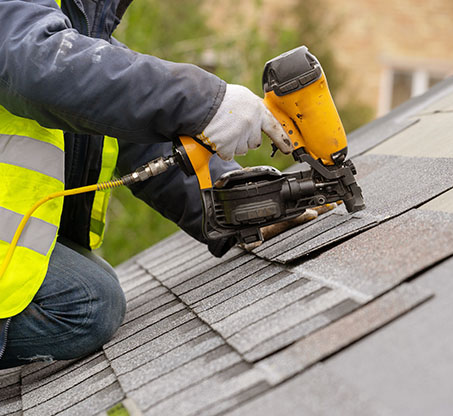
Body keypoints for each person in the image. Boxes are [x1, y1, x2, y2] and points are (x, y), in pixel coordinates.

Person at [0, 0, 293, 369]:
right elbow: (41, 65)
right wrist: (204, 102)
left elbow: (139, 136)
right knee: (87, 301)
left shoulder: (77, 28)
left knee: (92, 283)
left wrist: (239, 202)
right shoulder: (40, 35)